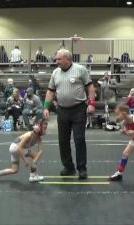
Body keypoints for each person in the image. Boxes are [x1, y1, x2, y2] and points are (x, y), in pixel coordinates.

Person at [43, 49, 96, 179]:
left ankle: (82, 168)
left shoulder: (80, 70)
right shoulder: (55, 73)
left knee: (79, 139)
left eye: (59, 59)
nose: (57, 62)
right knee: (63, 141)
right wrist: (46, 108)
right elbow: (50, 91)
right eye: (57, 59)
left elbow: (90, 87)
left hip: (78, 110)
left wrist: (91, 103)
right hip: (62, 110)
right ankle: (68, 167)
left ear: (68, 59)